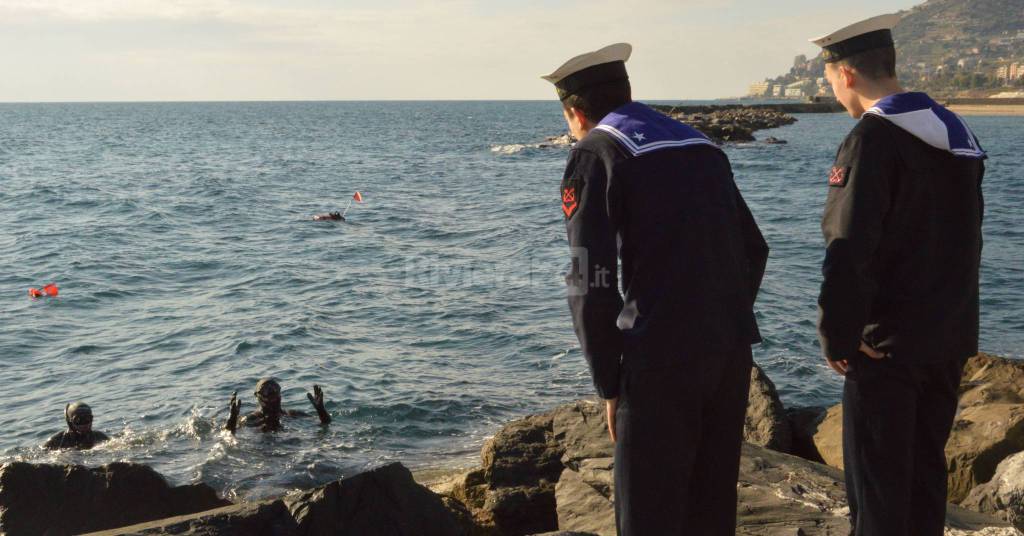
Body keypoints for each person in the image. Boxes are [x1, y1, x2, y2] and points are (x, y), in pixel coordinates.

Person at [541, 43, 768, 535]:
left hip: (660, 361)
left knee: (648, 517)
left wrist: (608, 382)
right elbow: (754, 248)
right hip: (729, 352)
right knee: (711, 510)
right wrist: (717, 319)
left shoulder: (596, 152)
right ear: (627, 92)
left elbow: (588, 279)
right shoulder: (701, 145)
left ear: (576, 112)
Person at [809, 14, 986, 536]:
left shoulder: (872, 139)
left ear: (844, 75)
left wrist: (839, 334)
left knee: (878, 490)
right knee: (925, 480)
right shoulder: (956, 132)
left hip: (883, 346)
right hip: (947, 338)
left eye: (831, 83)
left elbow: (848, 245)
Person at [225, 378, 331, 433]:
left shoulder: (292, 414)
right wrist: (232, 420)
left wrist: (321, 411)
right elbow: (229, 435)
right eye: (266, 391)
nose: (272, 394)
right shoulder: (249, 420)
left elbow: (325, 424)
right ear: (257, 396)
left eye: (275, 389)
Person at [44, 402, 110, 450]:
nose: (84, 424)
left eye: (87, 419)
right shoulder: (57, 441)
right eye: (78, 420)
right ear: (70, 422)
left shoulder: (100, 437)